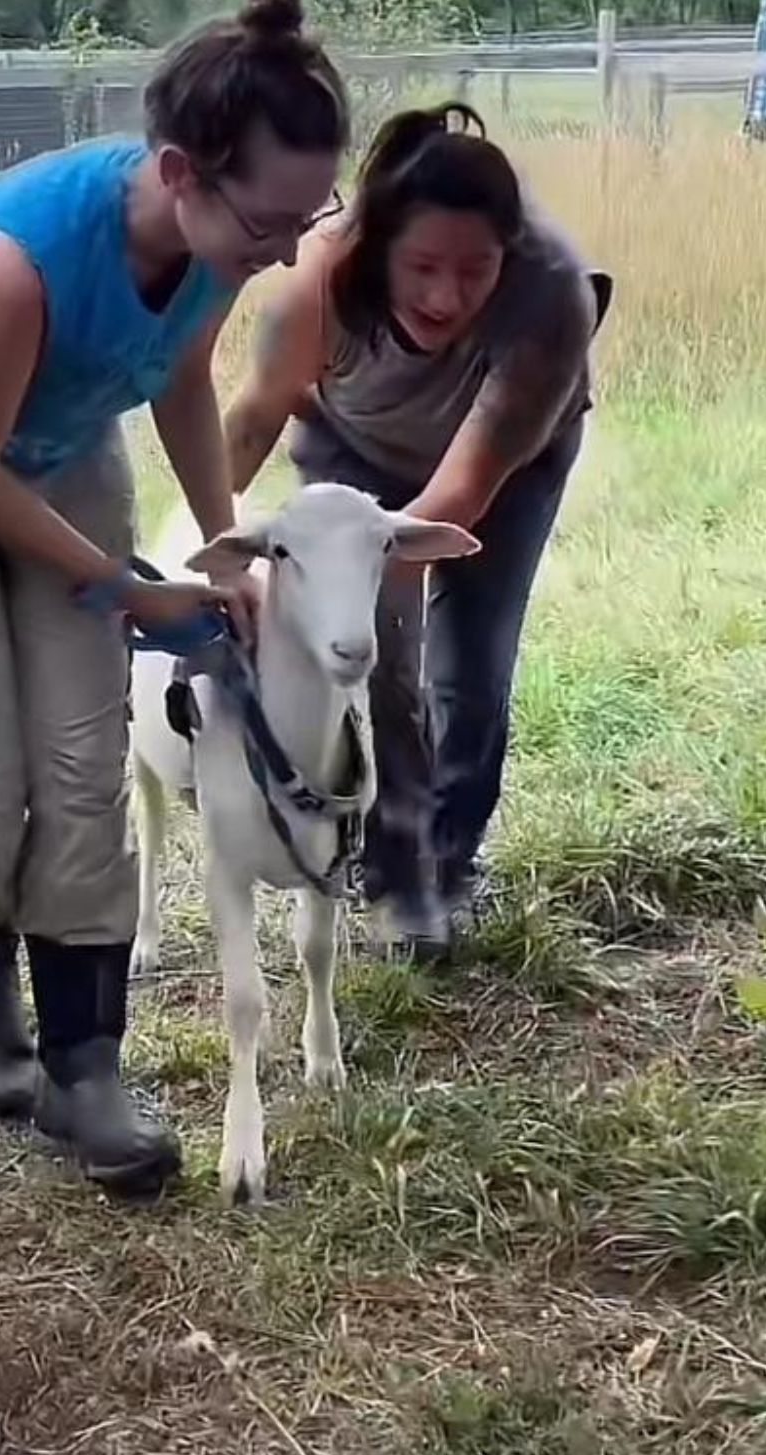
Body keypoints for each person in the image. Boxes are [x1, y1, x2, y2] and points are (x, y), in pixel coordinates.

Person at [0, 0, 349, 1199]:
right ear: (180, 173)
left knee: (79, 760)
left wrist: (224, 547)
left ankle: (86, 1069)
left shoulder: (218, 249)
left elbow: (180, 375)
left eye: (305, 216)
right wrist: (124, 589)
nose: (283, 249)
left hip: (61, 447)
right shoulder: (20, 263)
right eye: (270, 218)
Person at [226, 103, 610, 958]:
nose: (446, 295)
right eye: (424, 265)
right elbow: (252, 420)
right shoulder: (322, 278)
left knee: (468, 664)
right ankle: (388, 871)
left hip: (502, 473)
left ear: (508, 257)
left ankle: (444, 867)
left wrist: (381, 577)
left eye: (475, 270)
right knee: (372, 654)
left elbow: (463, 491)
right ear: (379, 251)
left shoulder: (552, 295)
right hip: (350, 454)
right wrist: (210, 551)